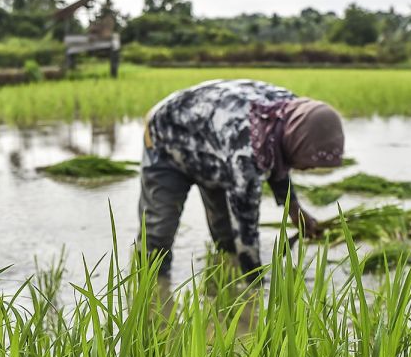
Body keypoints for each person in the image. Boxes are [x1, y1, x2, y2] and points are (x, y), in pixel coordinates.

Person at [139, 78, 345, 278]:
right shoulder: (246, 149)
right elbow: (246, 227)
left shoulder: (295, 116)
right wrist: (255, 282)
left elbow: (277, 159)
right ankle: (149, 284)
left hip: (211, 141)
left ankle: (222, 281)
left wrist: (294, 210)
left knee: (227, 236)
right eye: (309, 162)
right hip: (166, 138)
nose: (309, 168)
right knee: (159, 231)